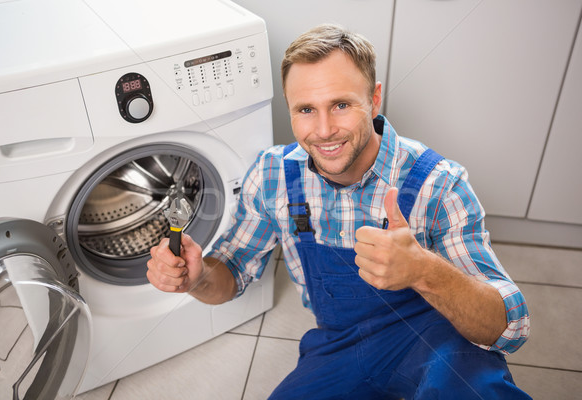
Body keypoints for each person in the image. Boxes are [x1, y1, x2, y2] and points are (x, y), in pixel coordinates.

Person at [147, 24, 531, 399]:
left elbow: (510, 327)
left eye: (341, 105)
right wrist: (196, 278)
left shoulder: (438, 183)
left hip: (437, 339)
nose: (324, 129)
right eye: (306, 110)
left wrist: (424, 270)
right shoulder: (272, 176)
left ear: (374, 99)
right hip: (340, 348)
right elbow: (231, 271)